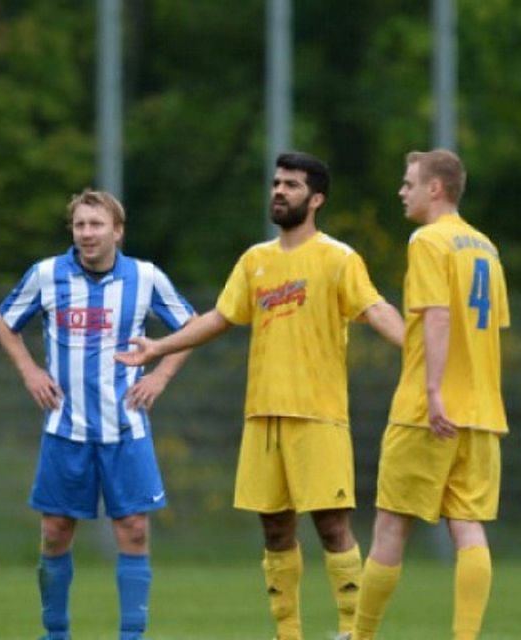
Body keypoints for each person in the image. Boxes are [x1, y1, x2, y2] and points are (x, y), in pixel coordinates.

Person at [116, 151, 405, 640]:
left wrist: (420, 352)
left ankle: (355, 632)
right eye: (276, 182)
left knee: (333, 526)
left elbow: (375, 309)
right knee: (274, 530)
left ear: (316, 199)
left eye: (291, 185)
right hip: (262, 415)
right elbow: (218, 318)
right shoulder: (255, 261)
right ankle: (287, 633)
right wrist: (160, 346)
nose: (278, 191)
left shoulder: (339, 258)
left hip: (318, 414)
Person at [0, 189, 194, 640]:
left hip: (126, 428)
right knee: (56, 532)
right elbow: (3, 321)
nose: (86, 233)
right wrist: (29, 370)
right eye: (80, 225)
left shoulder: (144, 278)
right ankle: (56, 633)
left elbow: (192, 326)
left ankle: (132, 636)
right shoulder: (46, 274)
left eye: (96, 224)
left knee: (135, 530)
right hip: (66, 429)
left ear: (117, 232)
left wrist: (158, 377)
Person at [351, 149, 510, 640]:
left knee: (391, 525)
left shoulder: (427, 241)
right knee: (467, 526)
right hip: (482, 410)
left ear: (435, 189)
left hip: (428, 409)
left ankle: (361, 635)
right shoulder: (486, 247)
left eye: (409, 184)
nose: (402, 192)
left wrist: (434, 389)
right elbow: (492, 328)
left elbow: (437, 315)